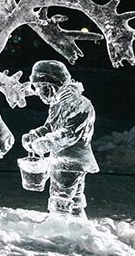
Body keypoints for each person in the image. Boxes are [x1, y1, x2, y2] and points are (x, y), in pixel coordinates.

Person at [21, 60, 98, 218]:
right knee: (74, 199)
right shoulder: (59, 103)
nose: (39, 92)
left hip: (70, 161)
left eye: (40, 87)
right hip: (63, 159)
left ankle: (57, 228)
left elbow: (70, 133)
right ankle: (78, 226)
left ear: (50, 84)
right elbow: (50, 127)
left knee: (60, 197)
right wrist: (35, 135)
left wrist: (46, 142)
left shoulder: (79, 104)